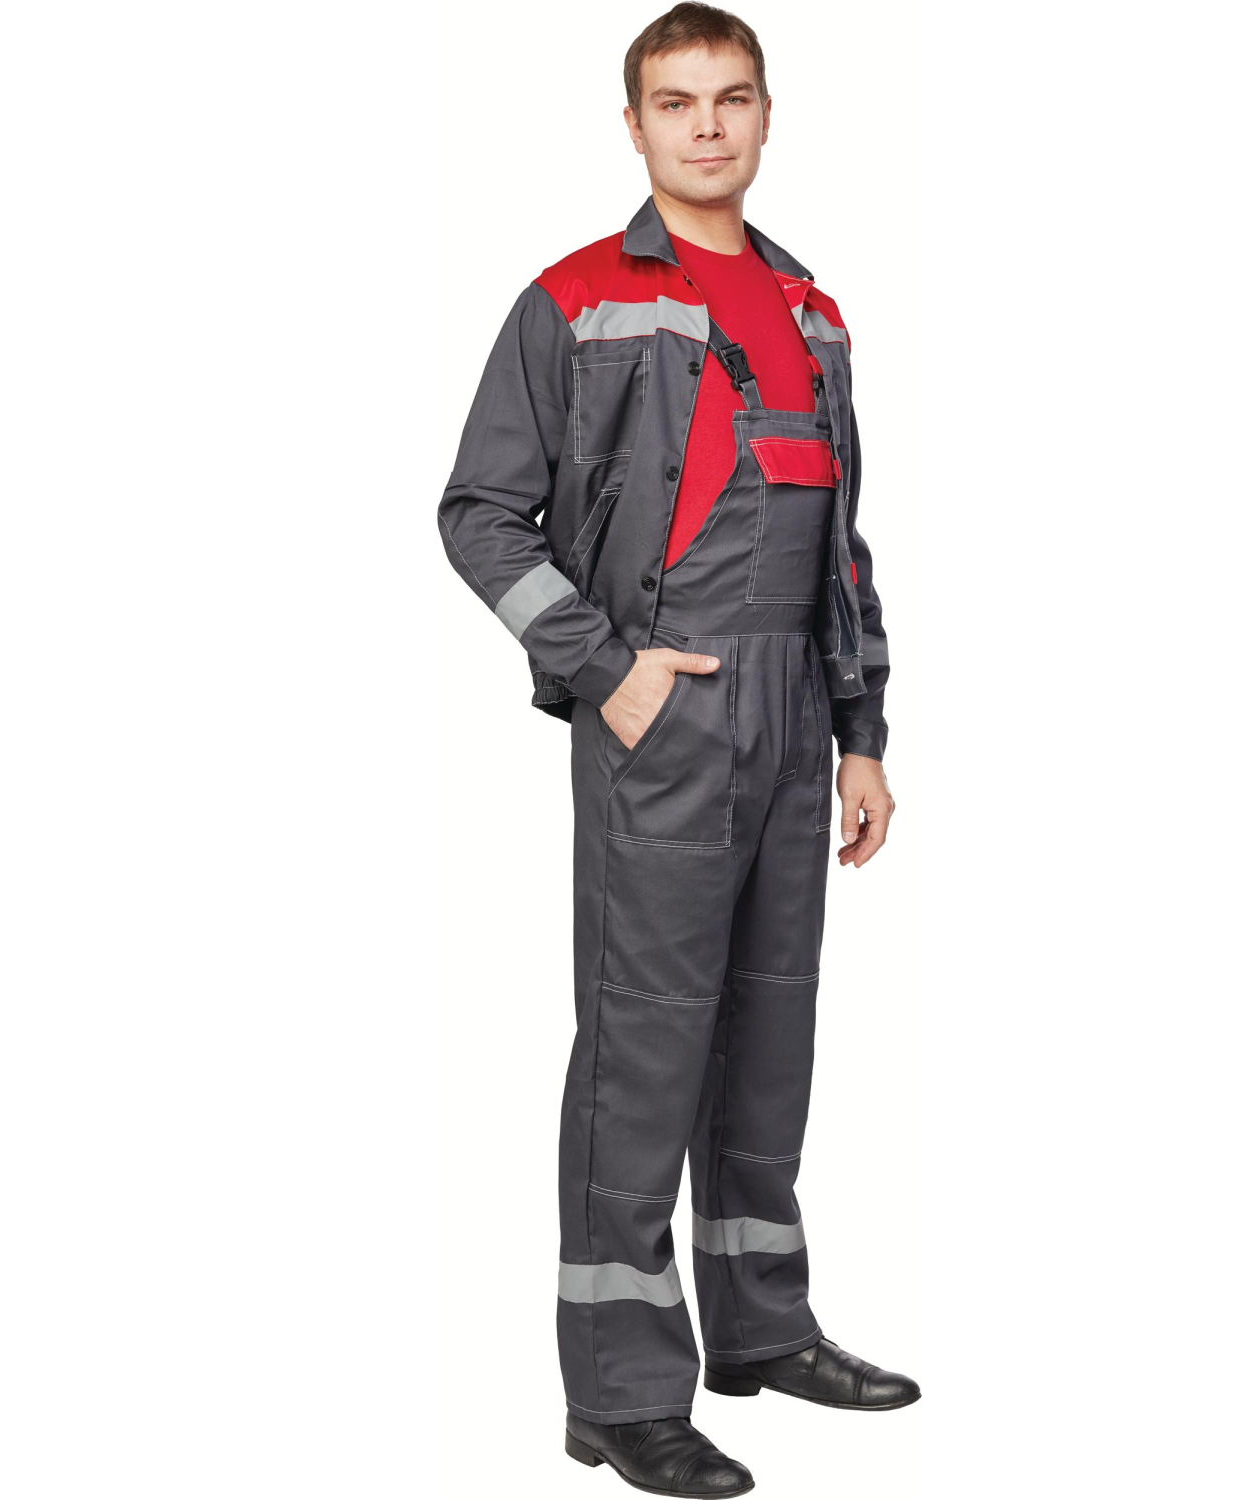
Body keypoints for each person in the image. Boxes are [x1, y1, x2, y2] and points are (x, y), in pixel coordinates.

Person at [438, 5, 915, 1493]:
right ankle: (620, 1391)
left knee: (770, 1033)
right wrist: (607, 673)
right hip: (668, 708)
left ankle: (759, 1326)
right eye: (675, 101)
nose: (707, 125)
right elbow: (477, 514)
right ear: (634, 125)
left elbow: (840, 545)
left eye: (732, 99)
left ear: (767, 117)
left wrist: (862, 732)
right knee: (646, 1045)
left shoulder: (816, 311)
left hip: (795, 713)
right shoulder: (576, 299)